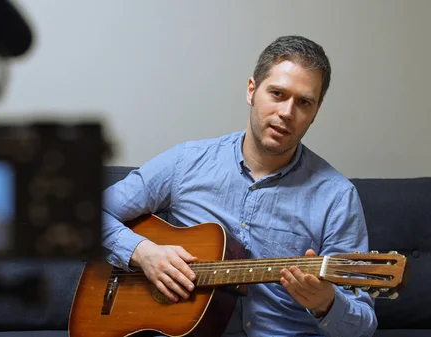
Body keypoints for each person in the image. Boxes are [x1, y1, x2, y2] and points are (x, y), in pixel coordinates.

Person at [101, 35, 377, 337]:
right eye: (277, 94)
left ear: (316, 111)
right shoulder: (186, 162)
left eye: (304, 102)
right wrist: (142, 252)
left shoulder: (337, 197)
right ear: (251, 90)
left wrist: (327, 304)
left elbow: (362, 326)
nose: (287, 112)